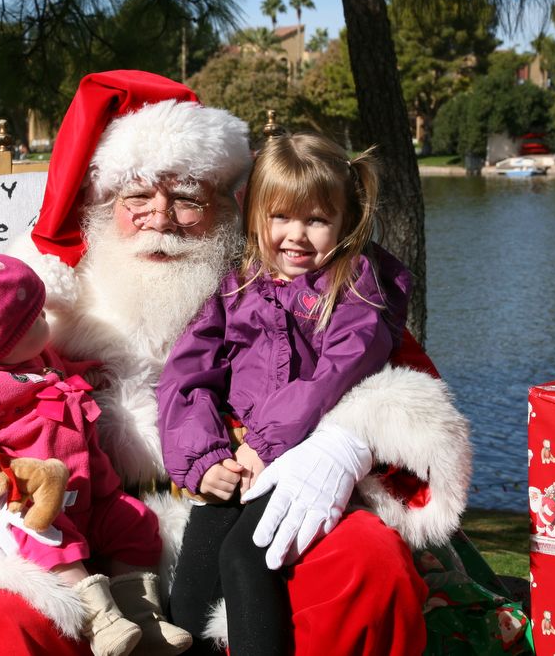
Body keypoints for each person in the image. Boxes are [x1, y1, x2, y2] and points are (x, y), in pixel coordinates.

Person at [0, 70, 471, 656]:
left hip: (244, 503)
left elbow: (392, 374)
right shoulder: (37, 291)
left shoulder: (280, 281)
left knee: (367, 558)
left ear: (230, 208)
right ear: (99, 202)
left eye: (187, 198)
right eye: (137, 196)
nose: (161, 218)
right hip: (67, 536)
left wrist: (345, 442)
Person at [158, 133, 409, 655]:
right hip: (239, 453)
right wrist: (204, 457)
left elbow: (341, 370)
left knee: (246, 560)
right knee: (192, 583)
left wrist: (266, 444)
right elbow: (187, 375)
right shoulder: (237, 285)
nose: (296, 236)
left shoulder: (354, 285)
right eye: (280, 218)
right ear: (255, 216)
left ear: (345, 221)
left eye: (316, 220)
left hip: (301, 455)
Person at [0, 253, 190, 656]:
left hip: (90, 488)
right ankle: (100, 621)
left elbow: (60, 369)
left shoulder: (36, 357)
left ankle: (143, 615)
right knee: (56, 546)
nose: (46, 326)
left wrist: (90, 372)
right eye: (33, 322)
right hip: (34, 501)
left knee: (135, 524)